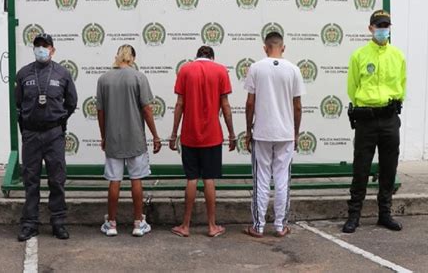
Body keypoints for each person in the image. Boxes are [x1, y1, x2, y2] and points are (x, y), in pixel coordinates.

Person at [343, 10, 406, 233]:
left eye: (386, 26)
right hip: (366, 120)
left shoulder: (397, 55)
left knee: (389, 168)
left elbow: (402, 85)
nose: (383, 30)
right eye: (379, 26)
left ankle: (385, 214)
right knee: (361, 168)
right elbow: (352, 88)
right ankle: (354, 216)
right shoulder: (359, 55)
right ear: (370, 28)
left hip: (389, 119)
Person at [15, 33, 78, 241]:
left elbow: (71, 103)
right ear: (33, 49)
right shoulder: (23, 74)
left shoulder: (62, 73)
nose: (41, 49)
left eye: (45, 45)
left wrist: (57, 122)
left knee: (57, 179)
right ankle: (30, 223)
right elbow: (18, 104)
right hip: (31, 134)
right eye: (37, 46)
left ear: (52, 49)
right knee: (30, 180)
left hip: (54, 134)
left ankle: (58, 222)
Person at [169, 46, 236, 237]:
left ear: (196, 56)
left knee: (191, 179)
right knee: (209, 179)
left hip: (189, 134)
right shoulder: (221, 70)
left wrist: (174, 134)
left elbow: (179, 105)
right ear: (212, 57)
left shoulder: (185, 70)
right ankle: (212, 226)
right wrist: (232, 134)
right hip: (212, 135)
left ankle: (185, 225)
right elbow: (225, 106)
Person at [243, 31, 305, 238]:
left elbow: (250, 103)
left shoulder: (256, 67)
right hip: (285, 132)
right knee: (282, 179)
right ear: (283, 47)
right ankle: (279, 225)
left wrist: (248, 129)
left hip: (262, 131)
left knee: (260, 178)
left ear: (265, 47)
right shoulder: (293, 69)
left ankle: (258, 226)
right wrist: (295, 133)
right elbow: (297, 106)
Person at [97, 44, 162, 237]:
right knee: (136, 179)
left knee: (114, 181)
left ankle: (111, 224)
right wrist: (155, 135)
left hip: (113, 138)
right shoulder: (139, 78)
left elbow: (100, 112)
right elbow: (147, 110)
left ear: (117, 56)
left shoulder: (104, 79)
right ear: (132, 58)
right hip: (135, 138)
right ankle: (137, 223)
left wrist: (103, 136)